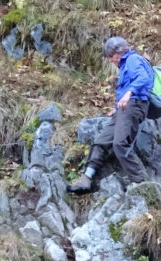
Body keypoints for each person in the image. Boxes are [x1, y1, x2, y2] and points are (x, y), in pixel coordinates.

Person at [67, 36, 154, 194]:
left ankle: (142, 182)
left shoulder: (133, 60)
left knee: (120, 144)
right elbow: (125, 88)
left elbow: (143, 78)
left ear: (119, 52)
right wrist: (116, 108)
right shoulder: (125, 65)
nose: (110, 60)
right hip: (124, 108)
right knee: (101, 141)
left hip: (134, 105)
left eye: (110, 56)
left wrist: (128, 95)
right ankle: (86, 178)